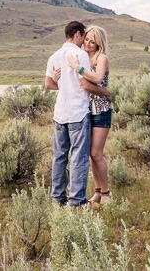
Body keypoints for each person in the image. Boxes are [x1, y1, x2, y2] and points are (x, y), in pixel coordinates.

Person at [44, 21, 110, 207]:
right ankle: (77, 201)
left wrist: (62, 83)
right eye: (85, 38)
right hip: (77, 113)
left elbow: (49, 85)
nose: (86, 43)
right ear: (79, 34)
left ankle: (58, 197)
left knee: (59, 156)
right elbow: (86, 84)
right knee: (79, 158)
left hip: (60, 114)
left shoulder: (54, 56)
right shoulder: (80, 55)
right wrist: (106, 92)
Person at [62, 25, 112, 205]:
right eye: (87, 40)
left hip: (101, 111)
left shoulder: (101, 58)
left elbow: (98, 79)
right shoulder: (83, 57)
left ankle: (106, 193)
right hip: (85, 110)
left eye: (93, 41)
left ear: (99, 43)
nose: (89, 44)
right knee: (90, 154)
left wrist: (78, 68)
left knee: (96, 153)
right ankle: (98, 191)